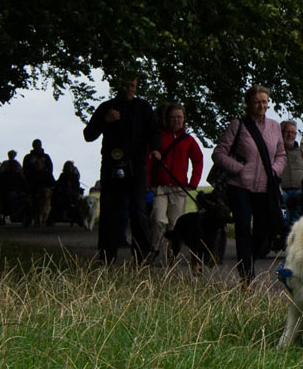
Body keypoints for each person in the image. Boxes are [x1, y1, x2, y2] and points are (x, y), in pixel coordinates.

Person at [212, 84, 287, 282]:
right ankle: (246, 275)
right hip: (240, 186)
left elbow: (281, 154)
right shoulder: (238, 125)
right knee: (243, 229)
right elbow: (218, 154)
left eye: (264, 101)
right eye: (257, 102)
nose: (261, 105)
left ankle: (249, 260)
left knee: (262, 231)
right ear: (248, 104)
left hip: (265, 188)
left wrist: (274, 170)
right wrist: (239, 168)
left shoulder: (274, 126)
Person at [83, 76, 154, 261]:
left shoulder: (143, 108)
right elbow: (89, 135)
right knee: (109, 212)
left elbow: (154, 131)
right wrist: (105, 120)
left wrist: (155, 149)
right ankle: (107, 256)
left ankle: (143, 257)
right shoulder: (106, 107)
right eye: (126, 84)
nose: (129, 88)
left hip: (136, 166)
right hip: (111, 166)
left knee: (139, 212)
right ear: (118, 85)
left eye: (133, 85)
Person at [146, 104, 203, 261]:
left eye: (179, 117)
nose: (176, 120)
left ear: (184, 119)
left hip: (179, 188)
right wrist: (147, 184)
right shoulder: (158, 137)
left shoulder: (189, 140)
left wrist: (194, 181)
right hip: (159, 187)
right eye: (173, 117)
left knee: (175, 224)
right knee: (158, 220)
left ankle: (172, 254)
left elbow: (198, 160)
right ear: (167, 119)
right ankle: (153, 249)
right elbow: (149, 162)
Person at [279, 120, 303, 228]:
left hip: (299, 189)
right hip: (282, 190)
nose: (290, 135)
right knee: (279, 203)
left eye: (293, 133)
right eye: (287, 132)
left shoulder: (302, 152)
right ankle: (285, 229)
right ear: (281, 132)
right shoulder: (275, 151)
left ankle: (293, 228)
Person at [24, 139, 55, 227]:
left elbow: (50, 170)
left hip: (45, 182)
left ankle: (49, 218)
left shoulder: (46, 157)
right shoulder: (29, 158)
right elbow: (26, 171)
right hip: (32, 183)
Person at [0, 151, 26, 224]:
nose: (11, 156)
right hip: (7, 185)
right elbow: (0, 174)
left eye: (12, 155)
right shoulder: (6, 164)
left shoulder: (16, 164)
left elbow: (21, 174)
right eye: (11, 155)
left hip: (15, 184)